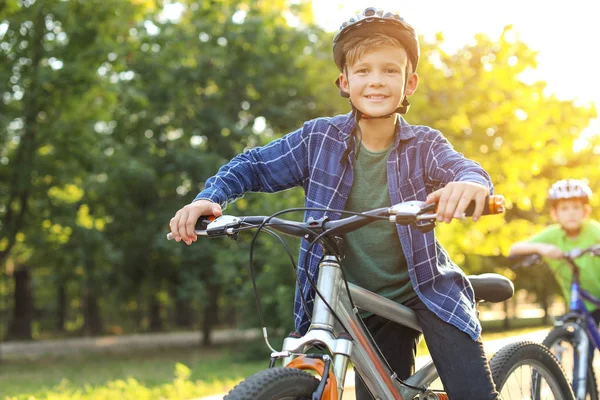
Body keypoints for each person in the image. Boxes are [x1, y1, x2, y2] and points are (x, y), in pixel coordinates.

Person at [170, 7, 499, 399]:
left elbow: (463, 169)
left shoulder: (424, 144)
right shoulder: (318, 139)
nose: (376, 81)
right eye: (363, 71)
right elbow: (252, 165)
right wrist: (208, 198)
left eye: (389, 71)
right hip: (353, 299)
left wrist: (471, 184)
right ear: (345, 81)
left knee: (473, 392)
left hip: (424, 288)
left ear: (409, 83)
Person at [509, 179, 600, 324]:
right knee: (582, 341)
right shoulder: (552, 235)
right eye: (564, 208)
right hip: (581, 303)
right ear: (554, 214)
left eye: (576, 207)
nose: (571, 213)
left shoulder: (593, 230)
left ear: (586, 211)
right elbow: (513, 249)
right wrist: (542, 248)